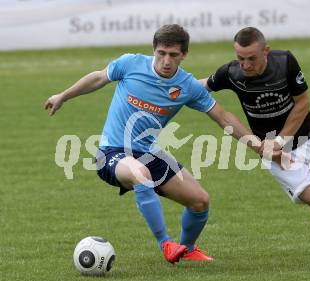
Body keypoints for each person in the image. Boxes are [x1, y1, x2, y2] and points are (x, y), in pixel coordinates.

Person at [44, 24, 261, 264]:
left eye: (173, 55)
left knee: (200, 201)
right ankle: (165, 244)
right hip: (111, 153)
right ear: (154, 50)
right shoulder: (131, 64)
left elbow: (223, 116)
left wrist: (258, 146)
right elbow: (97, 78)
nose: (166, 61)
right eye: (161, 53)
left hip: (148, 153)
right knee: (140, 173)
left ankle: (186, 249)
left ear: (184, 55)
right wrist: (62, 96)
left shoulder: (187, 86)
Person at [199, 27, 310, 259]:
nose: (245, 65)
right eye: (240, 58)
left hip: (309, 139)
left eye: (251, 58)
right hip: (274, 155)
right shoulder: (231, 73)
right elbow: (202, 85)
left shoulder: (285, 62)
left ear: (266, 51)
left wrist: (279, 140)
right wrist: (172, 87)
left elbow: (303, 102)